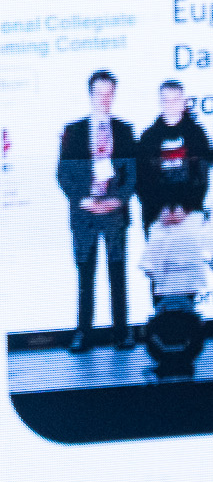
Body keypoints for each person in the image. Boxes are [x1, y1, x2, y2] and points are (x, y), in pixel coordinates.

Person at [57, 70, 135, 351]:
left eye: (109, 93)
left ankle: (122, 332)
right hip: (84, 215)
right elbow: (63, 174)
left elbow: (133, 174)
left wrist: (119, 200)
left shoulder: (125, 131)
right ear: (90, 94)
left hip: (114, 214)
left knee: (117, 273)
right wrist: (83, 199)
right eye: (99, 93)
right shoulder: (73, 131)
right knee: (85, 276)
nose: (104, 99)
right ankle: (83, 333)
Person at [135, 80, 212, 239]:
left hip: (191, 214)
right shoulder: (148, 137)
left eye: (175, 99)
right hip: (157, 216)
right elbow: (142, 181)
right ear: (160, 102)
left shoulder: (197, 134)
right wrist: (160, 209)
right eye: (166, 100)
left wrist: (186, 207)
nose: (170, 104)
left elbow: (202, 177)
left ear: (184, 102)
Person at [139, 201, 211, 323]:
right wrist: (160, 213)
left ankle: (187, 320)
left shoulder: (194, 223)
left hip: (189, 221)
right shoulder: (156, 230)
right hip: (157, 218)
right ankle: (163, 320)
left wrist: (187, 211)